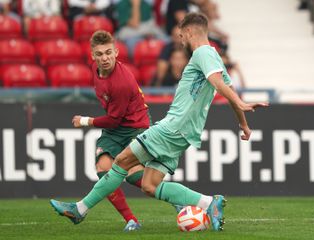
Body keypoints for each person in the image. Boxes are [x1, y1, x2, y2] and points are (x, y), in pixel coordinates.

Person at [50, 13, 268, 231]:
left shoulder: (202, 52)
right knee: (149, 185)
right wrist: (243, 123)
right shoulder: (214, 57)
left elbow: (218, 84)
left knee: (121, 162)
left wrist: (240, 104)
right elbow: (226, 87)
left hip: (173, 127)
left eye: (181, 35)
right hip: (185, 133)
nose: (180, 40)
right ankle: (209, 203)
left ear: (190, 32)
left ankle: (80, 209)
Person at [65, 30, 151, 231]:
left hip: (134, 127)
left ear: (117, 52)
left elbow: (113, 120)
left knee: (133, 175)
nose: (105, 58)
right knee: (103, 168)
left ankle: (179, 200)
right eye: (100, 54)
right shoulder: (96, 68)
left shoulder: (121, 83)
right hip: (117, 128)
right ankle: (132, 220)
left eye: (108, 52)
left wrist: (84, 121)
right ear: (92, 56)